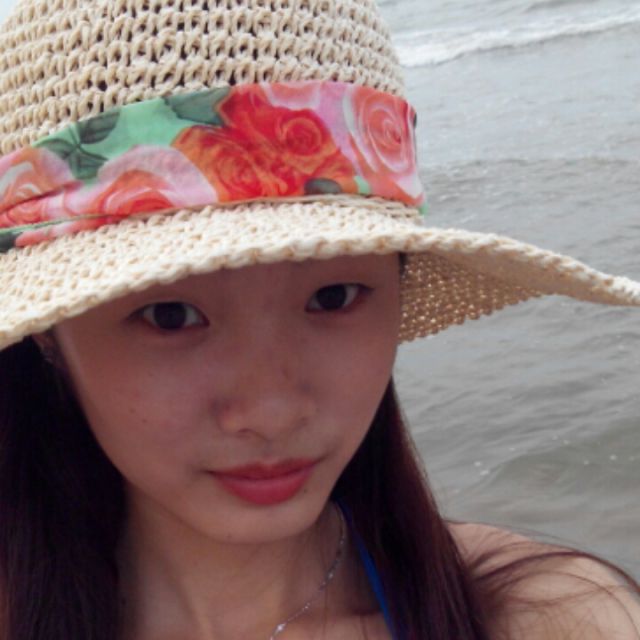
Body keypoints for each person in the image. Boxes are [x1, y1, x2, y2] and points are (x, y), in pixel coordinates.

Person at [0, 0, 638, 639]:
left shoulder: (556, 618)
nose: (273, 412)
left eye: (333, 298)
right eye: (170, 315)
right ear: (49, 334)